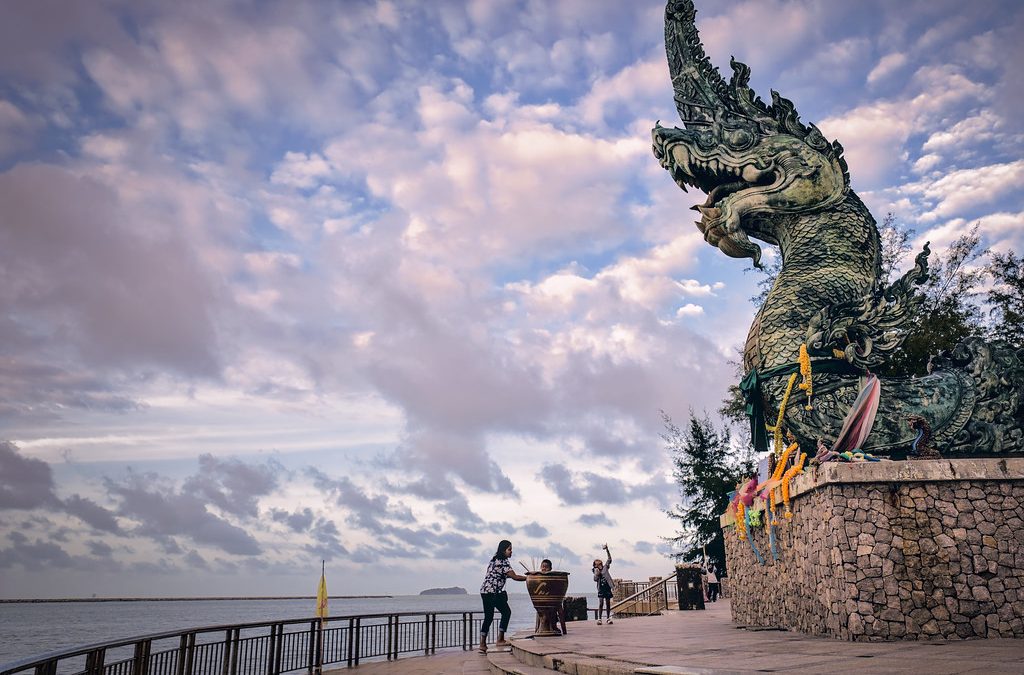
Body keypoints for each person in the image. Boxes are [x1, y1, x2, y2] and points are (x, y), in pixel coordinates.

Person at [478, 539, 527, 654]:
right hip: (493, 592)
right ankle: (500, 639)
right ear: (503, 550)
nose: (511, 552)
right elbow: (514, 577)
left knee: (488, 617)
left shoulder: (494, 560)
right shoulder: (503, 562)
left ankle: (482, 644)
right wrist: (529, 577)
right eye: (509, 549)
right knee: (506, 612)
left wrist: (509, 576)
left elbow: (500, 575)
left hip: (485, 591)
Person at [533, 559, 567, 636]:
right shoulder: (539, 577)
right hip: (542, 600)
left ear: (550, 568)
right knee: (540, 609)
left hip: (553, 600)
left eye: (546, 567)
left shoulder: (553, 577)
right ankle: (538, 628)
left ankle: (554, 626)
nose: (544, 569)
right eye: (542, 567)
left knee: (558, 608)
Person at [593, 543, 614, 625]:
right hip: (601, 589)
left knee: (608, 603)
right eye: (596, 565)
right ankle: (599, 619)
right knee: (601, 603)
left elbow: (609, 559)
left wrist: (607, 549)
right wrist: (596, 574)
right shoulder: (595, 571)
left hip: (607, 588)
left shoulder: (605, 567)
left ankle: (608, 618)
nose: (598, 566)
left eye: (599, 564)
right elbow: (595, 580)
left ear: (601, 564)